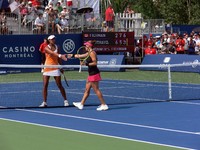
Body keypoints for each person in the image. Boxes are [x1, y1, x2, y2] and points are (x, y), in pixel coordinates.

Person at [69, 41, 109, 111]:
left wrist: (86, 64)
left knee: (96, 90)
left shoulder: (92, 53)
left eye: (86, 45)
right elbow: (80, 56)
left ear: (89, 46)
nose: (85, 47)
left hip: (94, 73)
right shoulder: (88, 53)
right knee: (87, 90)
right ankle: (81, 104)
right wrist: (72, 55)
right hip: (91, 73)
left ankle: (104, 105)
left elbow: (95, 63)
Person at [39, 35, 69, 107]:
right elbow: (52, 53)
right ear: (49, 40)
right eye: (52, 39)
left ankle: (65, 100)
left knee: (59, 85)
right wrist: (60, 55)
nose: (53, 40)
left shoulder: (57, 47)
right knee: (45, 85)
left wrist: (61, 67)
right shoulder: (46, 48)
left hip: (55, 67)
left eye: (54, 39)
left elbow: (58, 59)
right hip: (47, 67)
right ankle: (44, 102)